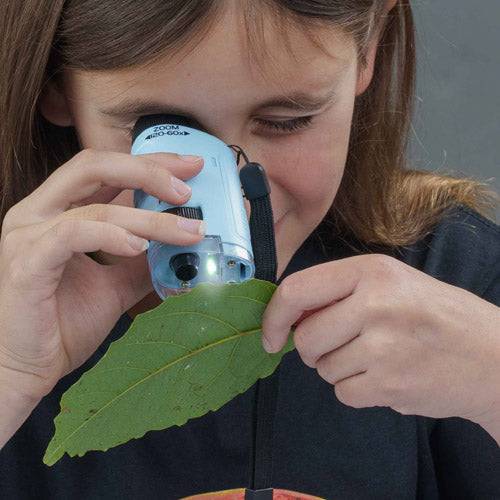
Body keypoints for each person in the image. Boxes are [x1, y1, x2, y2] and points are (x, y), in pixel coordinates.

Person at [0, 0, 499, 498]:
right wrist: (10, 373)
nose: (237, 204)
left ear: (368, 47)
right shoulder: (15, 314)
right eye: (162, 131)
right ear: (55, 82)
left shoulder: (453, 277)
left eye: (288, 121)